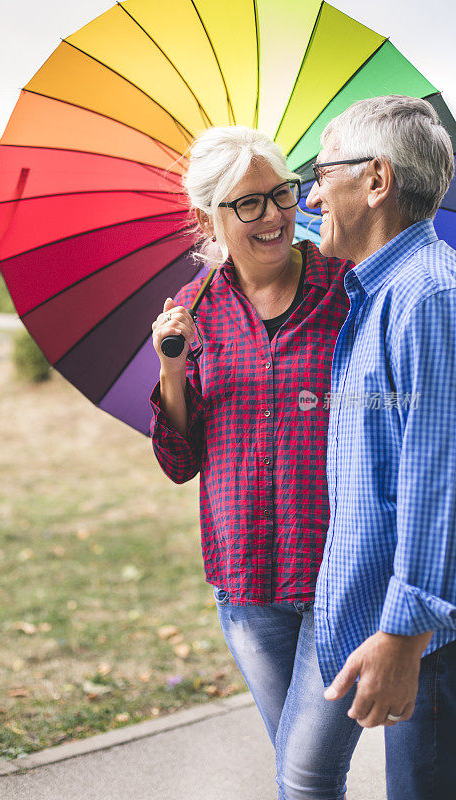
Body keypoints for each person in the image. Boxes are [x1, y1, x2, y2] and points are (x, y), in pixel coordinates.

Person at [150, 125, 359, 800]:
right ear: (209, 216)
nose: (273, 215)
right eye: (248, 203)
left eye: (280, 193)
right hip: (243, 580)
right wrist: (171, 369)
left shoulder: (348, 290)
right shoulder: (194, 312)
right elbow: (180, 461)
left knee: (303, 776)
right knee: (301, 773)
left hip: (338, 575)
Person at [306, 95, 456, 800]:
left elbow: (439, 479)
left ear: (375, 180)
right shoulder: (382, 294)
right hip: (421, 637)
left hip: (433, 646)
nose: (309, 194)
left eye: (319, 171)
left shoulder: (426, 298)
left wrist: (403, 634)